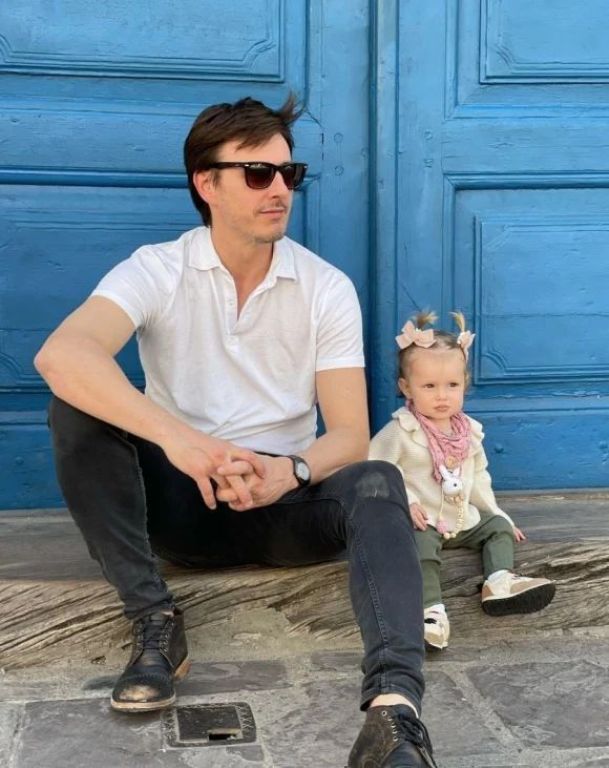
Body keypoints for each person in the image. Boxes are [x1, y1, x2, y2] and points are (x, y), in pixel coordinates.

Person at [34, 95, 439, 768]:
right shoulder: (158, 268)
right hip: (181, 504)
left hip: (283, 506)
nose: (279, 189)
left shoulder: (324, 287)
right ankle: (155, 621)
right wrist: (184, 443)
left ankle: (393, 714)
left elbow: (348, 435)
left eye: (288, 173)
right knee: (76, 405)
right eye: (257, 173)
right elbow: (62, 355)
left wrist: (292, 470)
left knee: (377, 478)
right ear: (206, 183)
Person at [369, 311, 555, 651]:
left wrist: (495, 512)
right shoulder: (400, 431)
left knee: (498, 528)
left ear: (464, 383)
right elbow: (376, 468)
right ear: (406, 387)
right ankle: (430, 612)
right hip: (423, 520)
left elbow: (479, 476)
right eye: (429, 386)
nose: (442, 396)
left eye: (452, 385)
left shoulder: (468, 432)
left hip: (461, 519)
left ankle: (499, 580)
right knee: (419, 549)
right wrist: (406, 501)